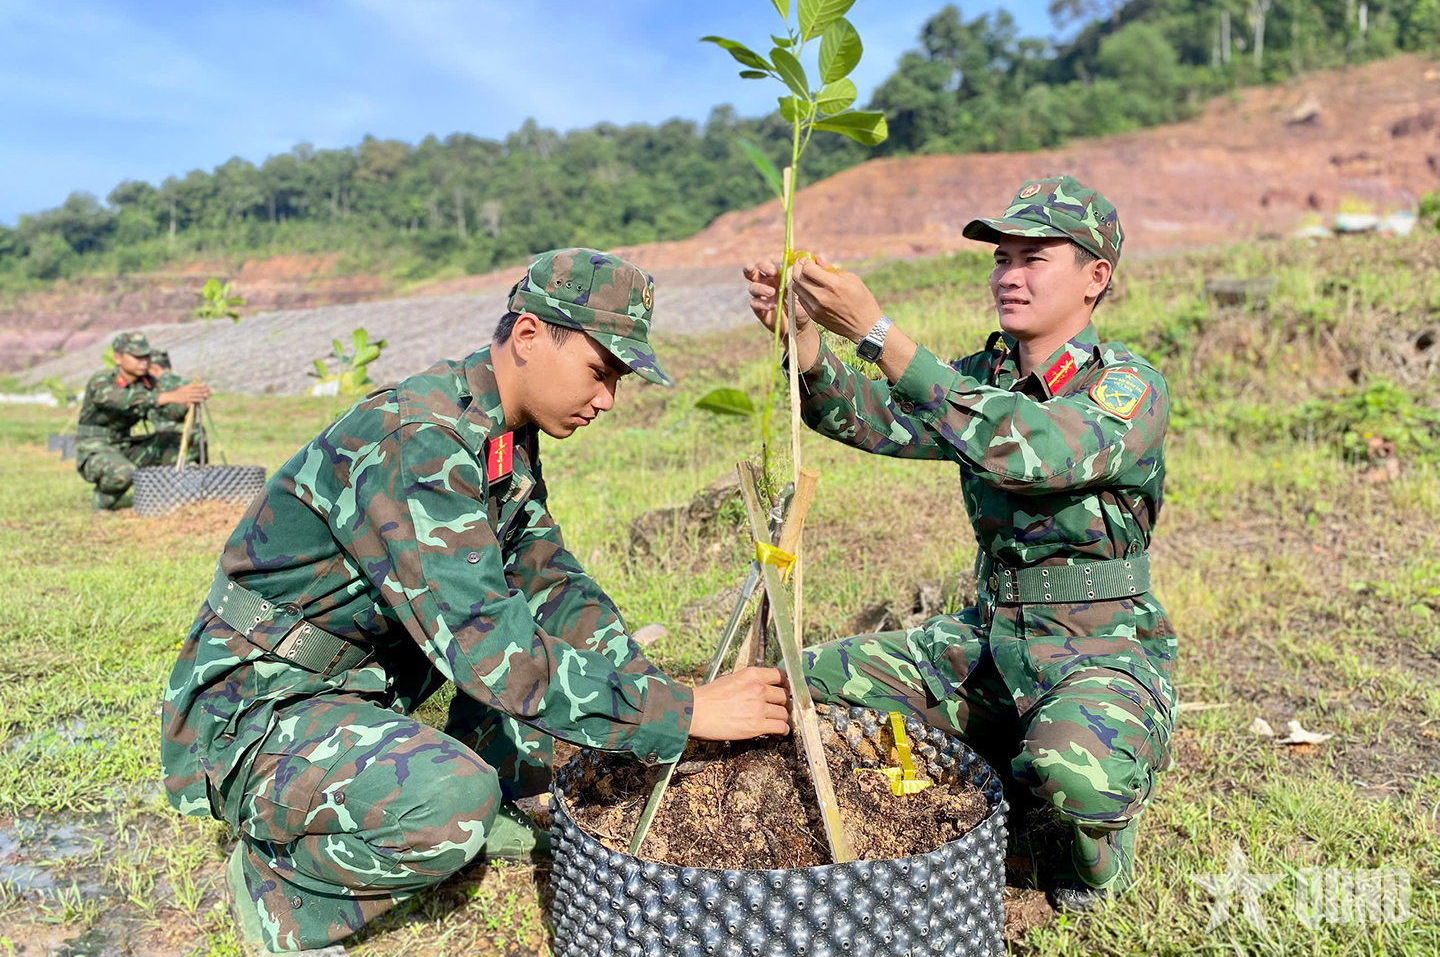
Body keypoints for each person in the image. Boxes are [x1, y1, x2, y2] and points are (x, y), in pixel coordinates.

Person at [161, 248, 790, 955]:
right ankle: (279, 886)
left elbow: (549, 580)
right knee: (452, 807)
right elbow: (492, 651)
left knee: (581, 715)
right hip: (259, 706)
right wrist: (686, 712)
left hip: (355, 686)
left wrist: (643, 687)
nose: (608, 398)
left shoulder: (498, 434)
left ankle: (417, 776)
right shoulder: (420, 441)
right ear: (528, 337)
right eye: (600, 370)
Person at [743, 175, 1175, 911]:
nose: (1008, 275)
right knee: (797, 685)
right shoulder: (986, 376)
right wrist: (810, 346)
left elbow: (1032, 450)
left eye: (1033, 258)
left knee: (1073, 777)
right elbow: (872, 419)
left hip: (1101, 648)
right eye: (1001, 258)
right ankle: (999, 753)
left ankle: (1098, 834)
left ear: (1095, 277)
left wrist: (881, 334)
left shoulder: (1125, 389)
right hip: (988, 642)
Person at [76, 332, 211, 510]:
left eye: (146, 356)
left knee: (191, 435)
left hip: (126, 445)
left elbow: (168, 413)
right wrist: (170, 396)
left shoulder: (149, 384)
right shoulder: (102, 380)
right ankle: (101, 503)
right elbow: (123, 400)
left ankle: (170, 496)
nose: (144, 361)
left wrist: (187, 401)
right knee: (123, 473)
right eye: (137, 356)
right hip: (94, 448)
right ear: (118, 358)